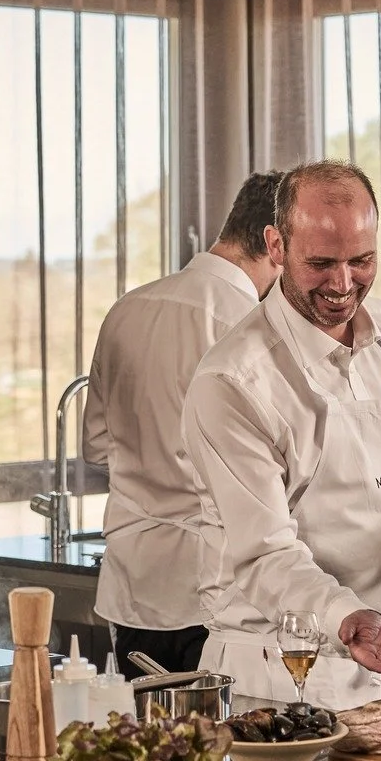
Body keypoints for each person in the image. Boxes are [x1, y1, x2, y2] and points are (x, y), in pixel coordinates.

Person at [184, 161, 381, 708]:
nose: (344, 283)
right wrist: (347, 617)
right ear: (276, 246)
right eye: (321, 263)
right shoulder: (232, 380)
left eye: (362, 260)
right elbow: (264, 555)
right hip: (282, 671)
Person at [84, 172, 283, 679]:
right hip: (216, 591)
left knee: (147, 751)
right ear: (274, 243)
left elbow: (95, 445)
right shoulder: (252, 328)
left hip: (133, 584)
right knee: (221, 750)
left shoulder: (126, 309)